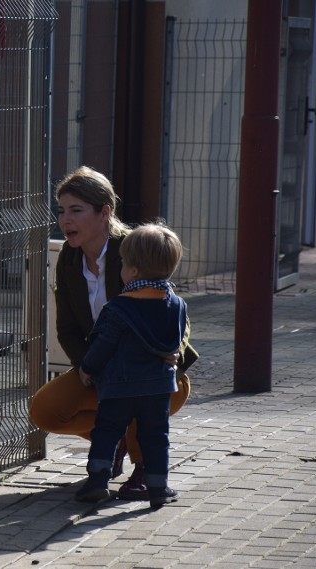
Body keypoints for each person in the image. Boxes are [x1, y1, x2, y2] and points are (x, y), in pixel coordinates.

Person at [29, 166, 197, 500]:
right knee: (44, 410)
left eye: (76, 211)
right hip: (101, 367)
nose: (65, 220)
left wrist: (174, 349)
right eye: (61, 211)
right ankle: (116, 440)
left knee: (146, 401)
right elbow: (66, 328)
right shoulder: (67, 257)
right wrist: (89, 367)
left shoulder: (133, 248)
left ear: (105, 212)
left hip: (153, 368)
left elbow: (171, 306)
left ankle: (144, 471)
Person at [74, 222, 188, 509]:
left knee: (107, 431)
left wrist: (88, 368)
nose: (121, 268)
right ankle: (158, 487)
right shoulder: (177, 305)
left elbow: (103, 345)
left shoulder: (117, 308)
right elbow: (174, 343)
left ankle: (98, 481)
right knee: (156, 436)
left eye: (123, 263)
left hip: (119, 385)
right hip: (159, 387)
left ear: (133, 272)